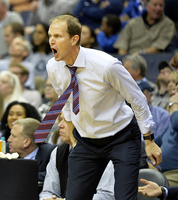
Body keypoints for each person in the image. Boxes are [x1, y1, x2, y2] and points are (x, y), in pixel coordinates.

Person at [43, 15, 161, 199]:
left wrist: (149, 140)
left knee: (124, 198)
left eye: (58, 35)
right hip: (86, 141)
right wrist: (72, 131)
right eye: (50, 35)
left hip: (121, 137)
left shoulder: (106, 65)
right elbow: (65, 99)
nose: (51, 40)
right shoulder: (53, 66)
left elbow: (137, 99)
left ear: (74, 39)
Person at [40, 112, 115, 200]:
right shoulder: (57, 152)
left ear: (83, 126)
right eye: (60, 119)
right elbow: (47, 192)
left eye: (67, 121)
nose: (59, 125)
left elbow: (106, 196)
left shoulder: (105, 152)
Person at [154, 85, 178, 186]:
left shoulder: (175, 118)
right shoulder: (171, 121)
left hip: (174, 172)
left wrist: (174, 104)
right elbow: (156, 142)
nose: (173, 93)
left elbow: (177, 123)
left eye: (177, 91)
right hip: (161, 171)